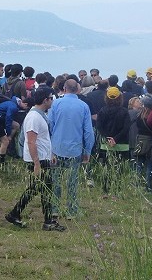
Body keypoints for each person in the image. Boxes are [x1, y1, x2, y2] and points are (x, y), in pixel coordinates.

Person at [4, 87, 66, 232]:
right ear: (45, 100)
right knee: (40, 188)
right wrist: (37, 163)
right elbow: (31, 141)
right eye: (51, 98)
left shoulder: (39, 115)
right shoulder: (34, 117)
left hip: (43, 157)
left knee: (41, 189)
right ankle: (21, 215)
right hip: (37, 159)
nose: (52, 100)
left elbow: (44, 139)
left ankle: (39, 218)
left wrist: (50, 154)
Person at [48, 79, 95, 219]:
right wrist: (88, 151)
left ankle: (54, 208)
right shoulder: (83, 106)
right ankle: (72, 210)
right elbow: (88, 131)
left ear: (64, 88)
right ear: (78, 89)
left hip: (57, 147)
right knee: (72, 181)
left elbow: (50, 124)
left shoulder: (56, 103)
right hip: (75, 148)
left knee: (55, 180)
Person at [96, 87, 131, 195]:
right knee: (119, 169)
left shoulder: (102, 111)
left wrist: (108, 138)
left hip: (106, 144)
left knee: (106, 167)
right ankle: (116, 192)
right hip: (121, 144)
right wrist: (116, 139)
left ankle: (105, 191)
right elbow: (126, 128)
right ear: (120, 98)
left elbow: (99, 127)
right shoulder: (124, 112)